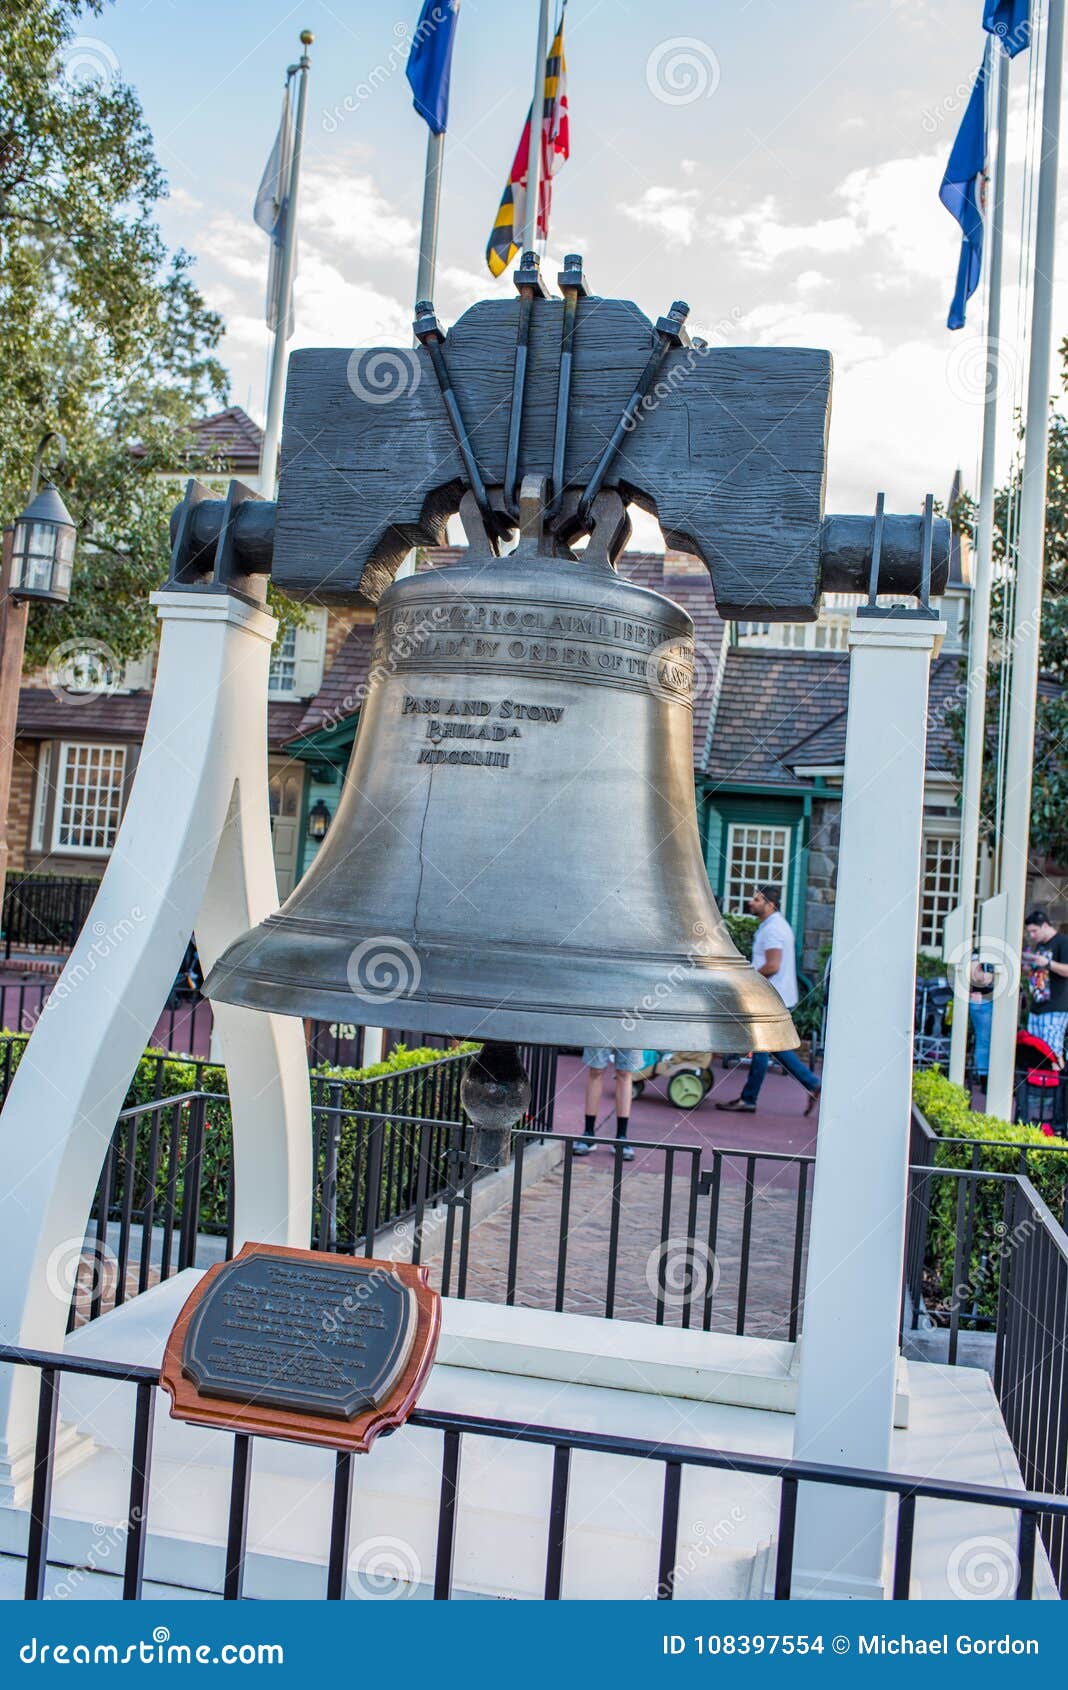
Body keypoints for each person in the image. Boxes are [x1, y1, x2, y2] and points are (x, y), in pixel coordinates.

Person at [716, 884, 821, 1114]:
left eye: (757, 899)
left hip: (771, 996)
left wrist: (747, 981)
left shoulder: (774, 930)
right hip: (774, 995)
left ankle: (749, 1098)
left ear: (770, 905)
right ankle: (812, 1084)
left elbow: (773, 965)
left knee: (763, 1046)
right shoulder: (773, 925)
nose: (751, 902)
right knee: (773, 1046)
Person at [573, 1048, 644, 1160]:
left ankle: (621, 1137)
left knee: (625, 1073)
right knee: (596, 1070)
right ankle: (588, 1134)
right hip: (602, 1030)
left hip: (632, 1030)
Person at [1022, 908, 1068, 1064]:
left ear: (1045, 926)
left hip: (1056, 1006)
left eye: (1034, 931)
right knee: (1036, 1052)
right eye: (1030, 932)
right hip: (1037, 1005)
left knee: (1053, 1052)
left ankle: (1055, 1086)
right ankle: (1038, 1086)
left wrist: (1048, 963)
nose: (1032, 936)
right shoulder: (1040, 946)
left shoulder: (1063, 942)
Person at [967, 956, 995, 1085]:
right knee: (984, 1040)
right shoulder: (979, 953)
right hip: (983, 1001)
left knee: (985, 1040)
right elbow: (980, 978)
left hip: (988, 1001)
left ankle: (986, 1077)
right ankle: (984, 1079)